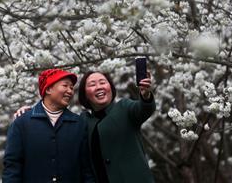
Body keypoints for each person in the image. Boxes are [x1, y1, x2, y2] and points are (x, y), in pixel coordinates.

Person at [13, 70, 156, 183]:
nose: (99, 86)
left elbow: (143, 109)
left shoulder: (125, 108)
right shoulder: (84, 121)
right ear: (85, 95)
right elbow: (55, 117)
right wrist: (31, 112)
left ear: (110, 88)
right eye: (92, 85)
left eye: (102, 82)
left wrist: (145, 95)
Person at [3, 68, 96, 183]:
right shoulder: (22, 123)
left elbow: (86, 169)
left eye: (71, 87)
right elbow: (12, 168)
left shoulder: (78, 124)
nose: (70, 91)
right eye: (65, 86)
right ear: (48, 89)